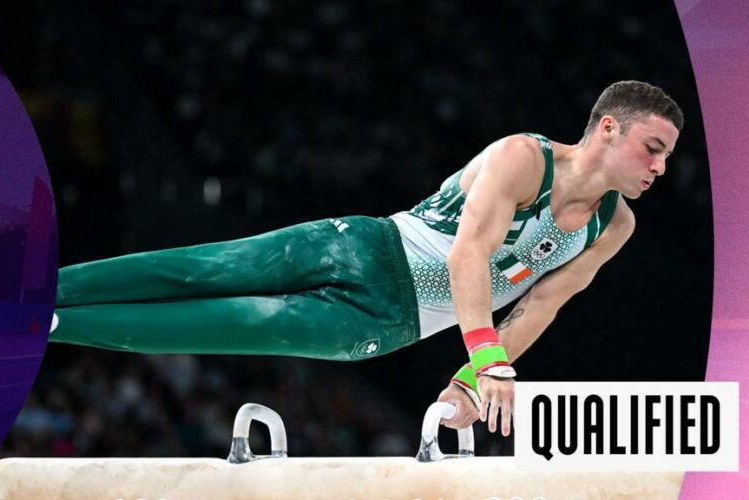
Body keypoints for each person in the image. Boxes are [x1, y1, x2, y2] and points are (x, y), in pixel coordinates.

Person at [50, 80, 683, 438]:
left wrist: (468, 383)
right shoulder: (523, 158)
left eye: (666, 157)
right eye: (652, 148)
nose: (659, 167)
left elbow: (542, 302)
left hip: (384, 327)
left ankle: (50, 324)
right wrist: (487, 360)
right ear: (607, 128)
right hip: (364, 246)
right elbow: (469, 256)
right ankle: (44, 289)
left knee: (226, 322)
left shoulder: (614, 224)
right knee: (202, 267)